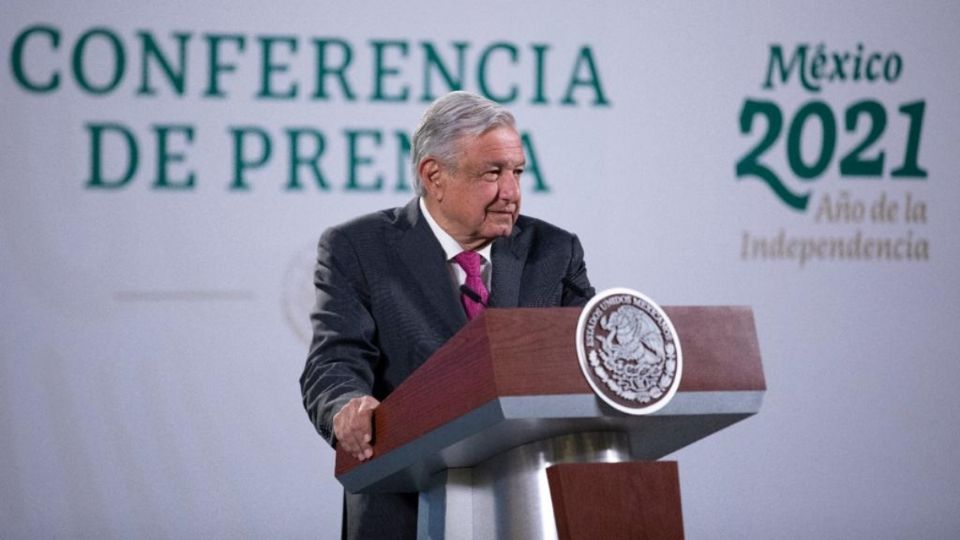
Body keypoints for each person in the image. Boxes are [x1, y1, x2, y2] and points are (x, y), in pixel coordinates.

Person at [300, 91, 595, 539]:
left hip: (530, 506)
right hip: (406, 508)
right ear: (433, 176)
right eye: (492, 173)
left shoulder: (554, 251)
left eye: (517, 172)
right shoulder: (357, 249)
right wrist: (346, 406)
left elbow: (585, 360)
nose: (511, 193)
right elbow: (334, 360)